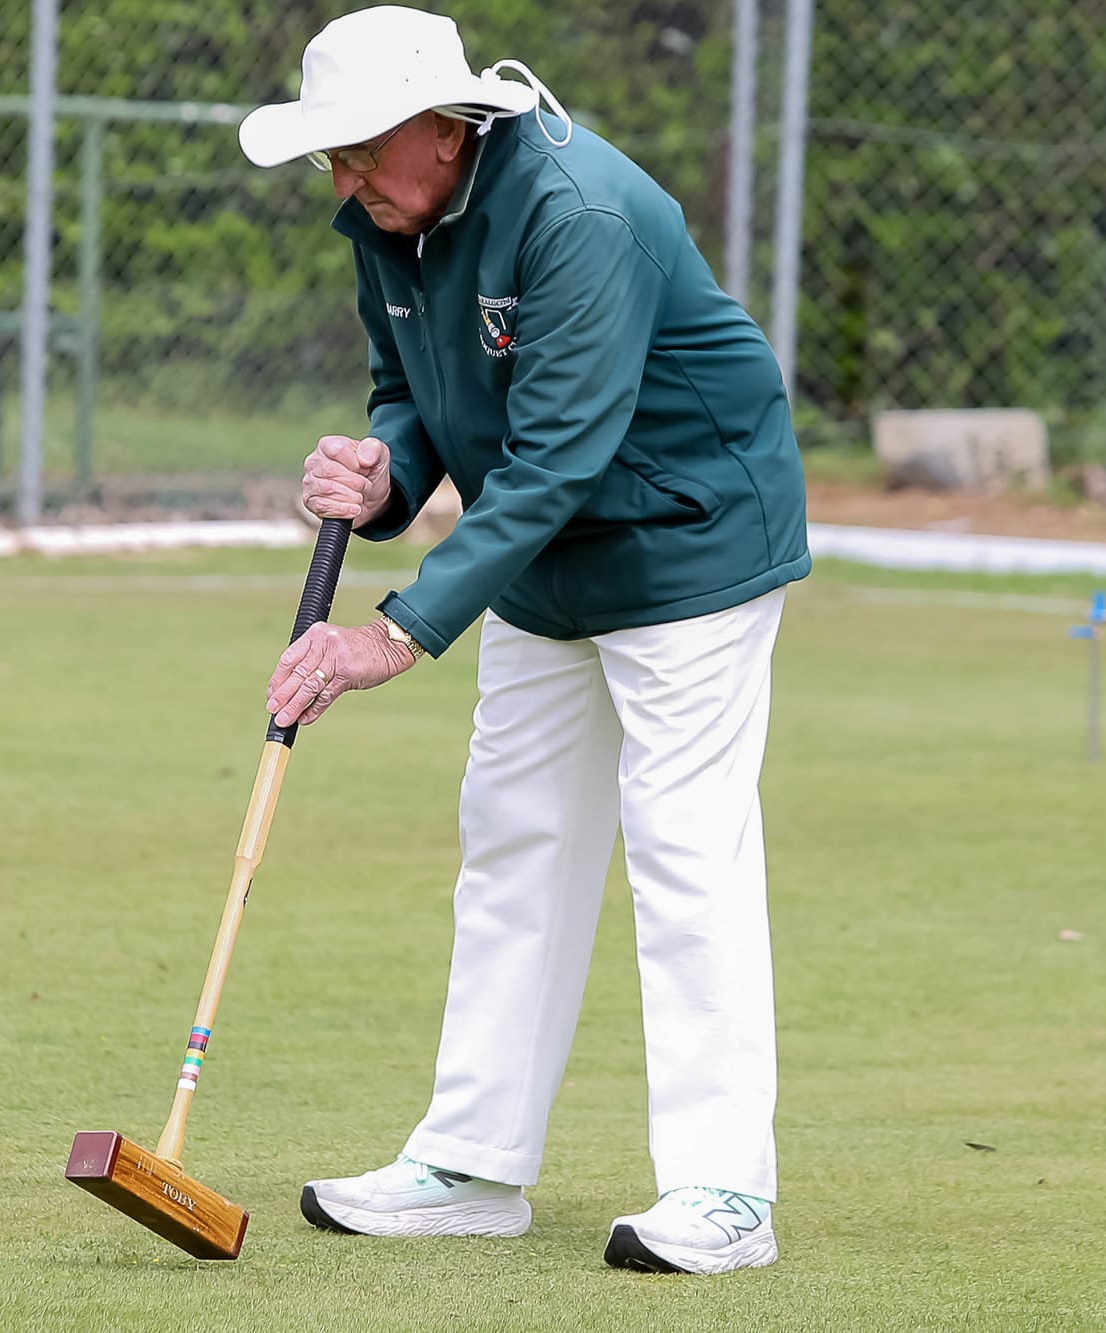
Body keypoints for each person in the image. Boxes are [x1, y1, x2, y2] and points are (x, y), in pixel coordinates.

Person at [236, 6, 811, 1275]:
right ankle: (470, 1163)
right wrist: (382, 472)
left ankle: (725, 1190)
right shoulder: (386, 217)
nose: (341, 178)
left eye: (360, 148)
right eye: (330, 154)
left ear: (446, 129)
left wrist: (396, 633)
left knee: (682, 850)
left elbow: (557, 456)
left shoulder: (575, 211)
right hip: (545, 562)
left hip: (690, 544)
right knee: (510, 841)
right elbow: (414, 393)